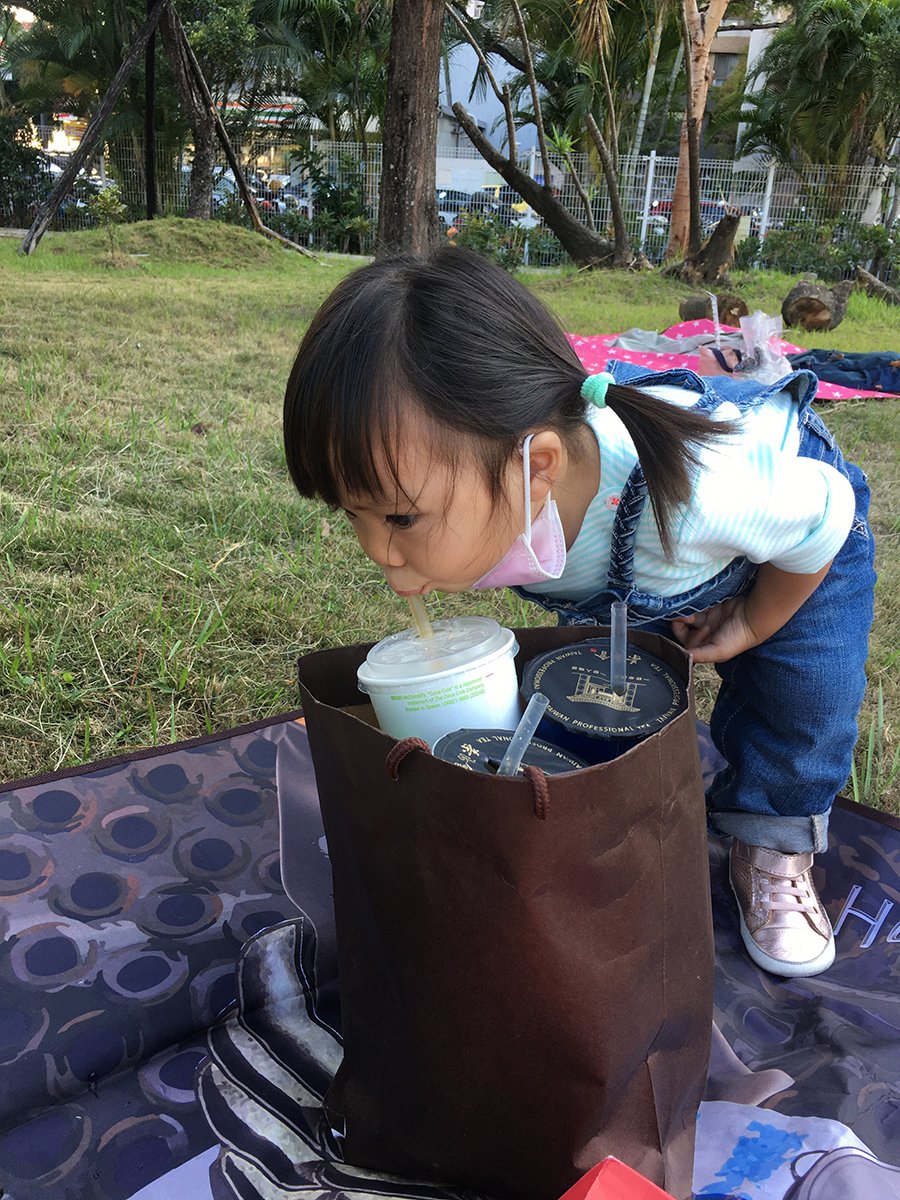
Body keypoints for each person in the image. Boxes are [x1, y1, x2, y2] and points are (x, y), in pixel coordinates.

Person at [282, 246, 875, 980]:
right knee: (617, 691)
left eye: (400, 518)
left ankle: (774, 842)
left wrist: (753, 622)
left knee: (798, 705)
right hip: (647, 572)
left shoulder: (698, 497)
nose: (380, 552)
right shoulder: (508, 483)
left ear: (538, 468)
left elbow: (824, 518)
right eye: (353, 515)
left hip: (798, 538)